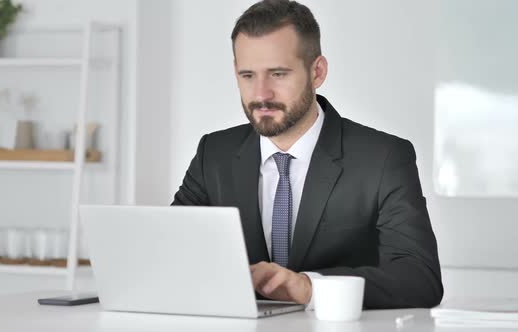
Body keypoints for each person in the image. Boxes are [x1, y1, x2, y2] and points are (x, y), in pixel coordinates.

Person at [172, 0, 443, 309]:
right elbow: (172, 248)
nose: (261, 94)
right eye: (248, 76)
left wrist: (310, 288)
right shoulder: (214, 154)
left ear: (318, 72)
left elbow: (420, 278)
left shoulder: (383, 158)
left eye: (277, 74)